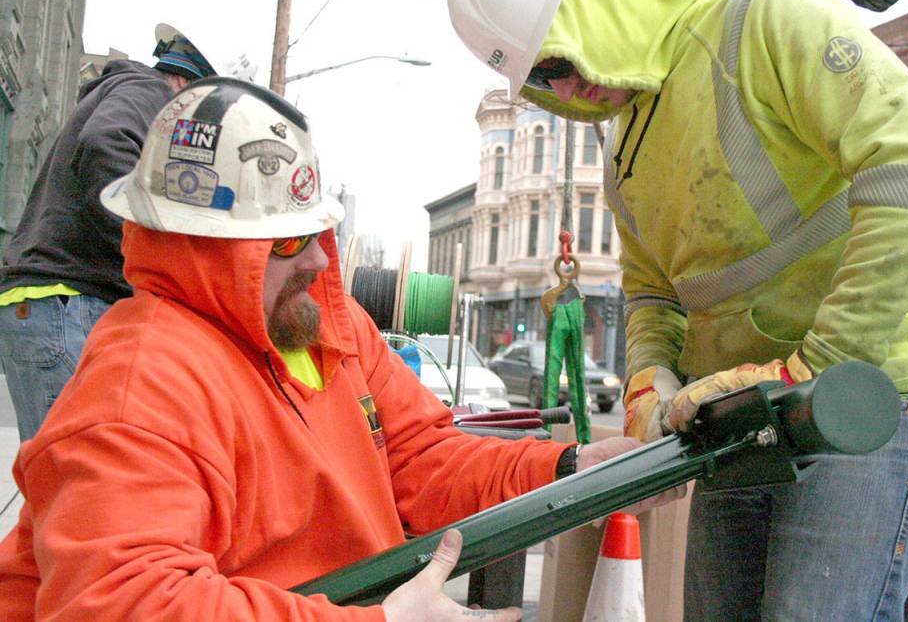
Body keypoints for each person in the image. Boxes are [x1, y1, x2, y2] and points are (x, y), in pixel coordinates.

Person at [0, 77, 673, 620]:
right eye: (289, 241)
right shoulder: (140, 384)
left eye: (319, 229)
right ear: (202, 246)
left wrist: (571, 465)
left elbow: (420, 459)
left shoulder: (321, 322)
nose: (322, 258)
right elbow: (122, 605)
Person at [448, 0, 908, 619]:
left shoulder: (763, 25)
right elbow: (652, 295)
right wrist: (647, 383)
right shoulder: (623, 156)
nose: (570, 92)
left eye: (557, 63)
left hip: (861, 397)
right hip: (737, 421)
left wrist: (817, 366)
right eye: (545, 84)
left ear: (596, 6)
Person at [0, 24, 253, 442]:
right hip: (64, 303)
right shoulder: (150, 92)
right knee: (79, 483)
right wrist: (157, 250)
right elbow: (107, 143)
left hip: (51, 304)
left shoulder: (131, 93)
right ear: (194, 85)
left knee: (67, 484)